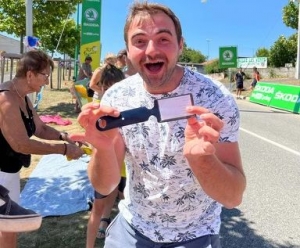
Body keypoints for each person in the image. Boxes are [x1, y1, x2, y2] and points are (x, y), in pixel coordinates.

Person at [71, 2, 246, 248]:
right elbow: (105, 185)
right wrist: (102, 147)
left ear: (180, 45)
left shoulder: (215, 98)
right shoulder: (116, 99)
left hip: (195, 236)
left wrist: (202, 160)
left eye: (163, 39)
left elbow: (232, 197)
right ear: (129, 51)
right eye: (140, 41)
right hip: (132, 230)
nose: (152, 50)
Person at [0, 50, 84, 248]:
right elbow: (20, 144)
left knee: (10, 227)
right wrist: (63, 150)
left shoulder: (22, 97)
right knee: (6, 227)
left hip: (9, 172)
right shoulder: (6, 99)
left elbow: (41, 128)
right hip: (1, 175)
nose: (47, 82)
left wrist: (65, 137)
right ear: (30, 74)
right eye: (45, 75)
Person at [85, 63, 125, 248]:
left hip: (126, 170)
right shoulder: (96, 110)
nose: (112, 92)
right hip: (105, 167)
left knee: (127, 207)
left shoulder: (129, 109)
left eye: (116, 87)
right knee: (97, 208)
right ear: (101, 88)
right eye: (107, 88)